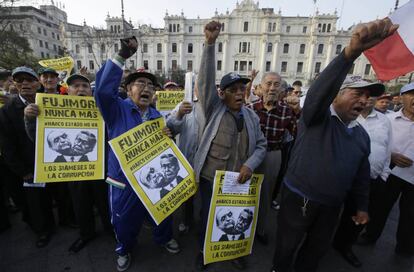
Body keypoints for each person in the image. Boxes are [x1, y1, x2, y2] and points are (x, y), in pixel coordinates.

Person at [270, 18, 398, 272]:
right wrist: (349, 54)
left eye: (368, 96)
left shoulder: (361, 135)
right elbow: (318, 92)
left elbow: (361, 176)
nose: (365, 100)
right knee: (287, 246)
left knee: (315, 251)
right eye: (357, 93)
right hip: (299, 200)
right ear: (337, 95)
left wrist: (362, 206)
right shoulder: (317, 118)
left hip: (331, 207)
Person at [94, 36, 180, 271]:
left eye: (151, 86)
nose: (147, 89)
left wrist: (167, 138)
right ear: (127, 89)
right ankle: (124, 248)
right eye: (140, 83)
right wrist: (121, 56)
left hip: (153, 178)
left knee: (163, 211)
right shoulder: (115, 110)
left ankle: (163, 238)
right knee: (124, 220)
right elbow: (102, 91)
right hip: (123, 181)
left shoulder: (156, 117)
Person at [193, 21, 266, 271]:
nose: (238, 93)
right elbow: (204, 82)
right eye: (232, 90)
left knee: (236, 217)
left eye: (241, 89)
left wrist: (250, 164)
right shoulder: (212, 109)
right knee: (207, 217)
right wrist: (210, 44)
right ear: (221, 94)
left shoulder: (252, 117)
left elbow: (261, 147)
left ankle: (234, 250)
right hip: (210, 178)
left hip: (238, 181)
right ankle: (205, 251)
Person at [24, 73, 112, 253]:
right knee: (80, 205)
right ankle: (86, 234)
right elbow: (39, 140)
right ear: (68, 90)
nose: (80, 89)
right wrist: (30, 119)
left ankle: (112, 231)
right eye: (75, 86)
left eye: (84, 86)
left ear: (90, 91)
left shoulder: (102, 109)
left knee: (105, 204)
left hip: (101, 169)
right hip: (73, 172)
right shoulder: (51, 108)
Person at [333, 92, 392, 267]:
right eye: (364, 95)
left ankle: (345, 246)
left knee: (357, 216)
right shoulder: (346, 117)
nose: (368, 99)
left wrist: (384, 173)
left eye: (373, 95)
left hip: (371, 179)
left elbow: (388, 148)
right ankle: (322, 241)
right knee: (331, 213)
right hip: (344, 178)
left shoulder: (384, 121)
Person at [0, 67, 55, 248]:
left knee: (55, 196)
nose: (24, 84)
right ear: (14, 84)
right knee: (35, 202)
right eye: (19, 80)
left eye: (29, 80)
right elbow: (7, 145)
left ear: (37, 83)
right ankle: (42, 231)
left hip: (53, 163)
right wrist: (22, 171)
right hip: (29, 167)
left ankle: (65, 220)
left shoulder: (51, 102)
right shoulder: (7, 110)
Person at [360, 82, 414, 257]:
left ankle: (404, 248)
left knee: (410, 215)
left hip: (412, 177)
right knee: (380, 208)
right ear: (402, 97)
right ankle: (370, 236)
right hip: (391, 172)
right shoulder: (388, 119)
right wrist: (393, 156)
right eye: (411, 94)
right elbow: (378, 144)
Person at [246, 71, 299, 245]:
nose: (272, 88)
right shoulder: (251, 108)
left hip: (272, 155)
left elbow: (298, 132)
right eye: (268, 83)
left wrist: (298, 111)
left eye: (276, 84)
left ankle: (260, 229)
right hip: (250, 156)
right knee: (245, 194)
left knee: (266, 196)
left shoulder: (287, 111)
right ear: (260, 87)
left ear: (281, 89)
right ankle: (243, 229)